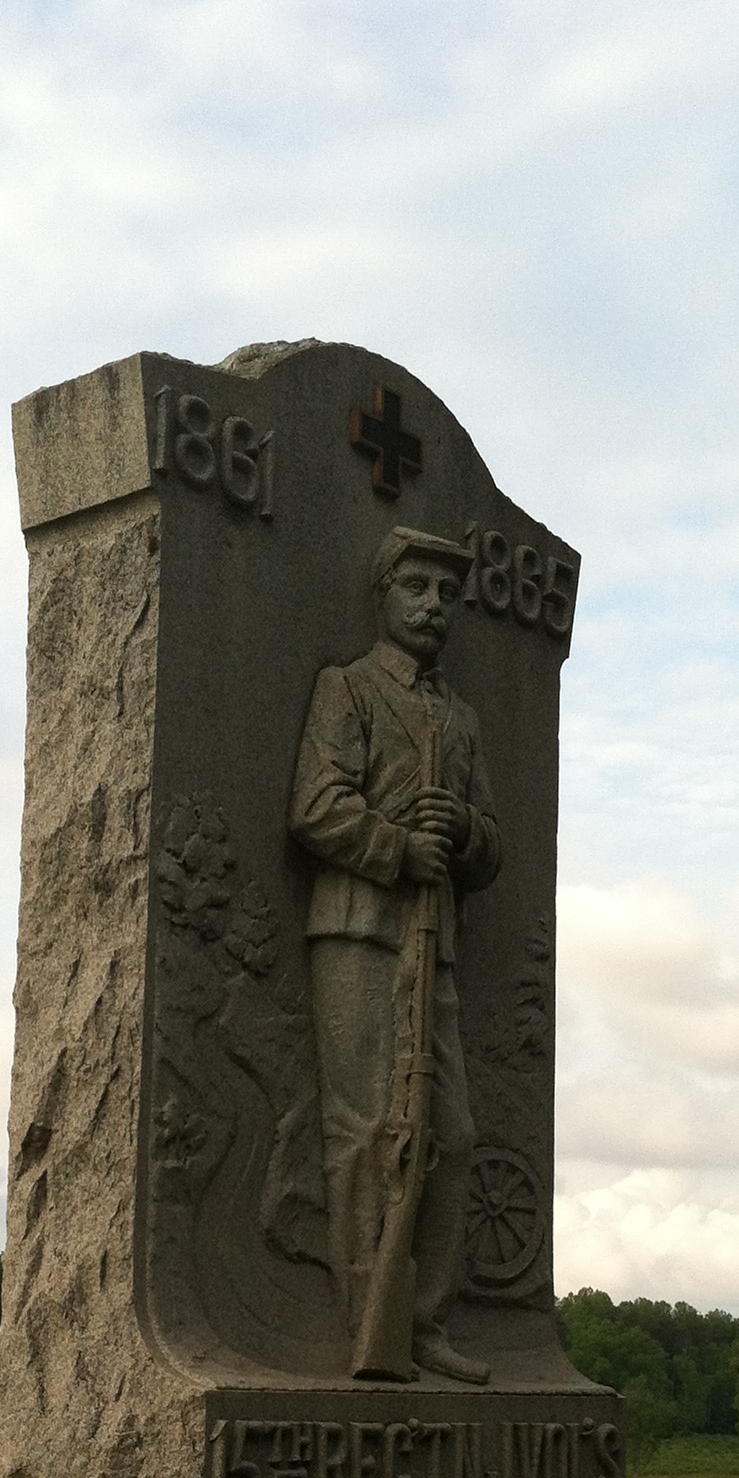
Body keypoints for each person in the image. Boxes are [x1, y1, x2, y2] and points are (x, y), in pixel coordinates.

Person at [288, 526, 501, 1382]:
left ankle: (421, 1324)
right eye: (416, 588)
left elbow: (490, 845)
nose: (433, 606)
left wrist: (464, 836)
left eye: (447, 595)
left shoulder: (462, 719)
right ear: (384, 595)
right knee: (365, 1127)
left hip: (432, 944)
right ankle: (361, 1321)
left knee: (449, 1132)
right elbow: (315, 807)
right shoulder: (348, 689)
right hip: (355, 928)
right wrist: (398, 848)